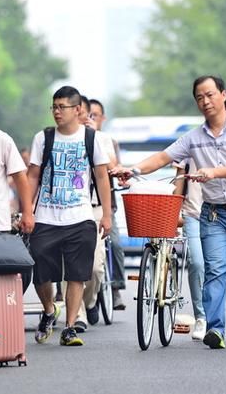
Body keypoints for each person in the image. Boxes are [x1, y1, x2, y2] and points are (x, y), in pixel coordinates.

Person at [111, 75, 226, 349]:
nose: (205, 101)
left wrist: (214, 172)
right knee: (214, 269)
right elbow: (161, 158)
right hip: (213, 215)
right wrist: (131, 169)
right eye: (199, 97)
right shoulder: (192, 139)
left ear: (223, 95)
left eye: (210, 94)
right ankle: (215, 329)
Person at [27, 86, 111, 347]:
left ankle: (71, 326)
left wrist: (106, 215)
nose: (56, 112)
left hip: (81, 216)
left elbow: (101, 176)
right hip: (46, 217)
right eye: (54, 107)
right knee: (40, 272)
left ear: (77, 110)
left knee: (77, 275)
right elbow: (32, 175)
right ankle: (50, 310)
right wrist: (27, 210)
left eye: (62, 107)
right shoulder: (44, 138)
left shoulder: (92, 138)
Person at [71, 96, 118, 333]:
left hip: (95, 208)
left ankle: (90, 300)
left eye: (85, 114)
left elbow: (110, 170)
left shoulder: (100, 139)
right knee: (69, 266)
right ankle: (76, 315)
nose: (82, 118)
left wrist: (92, 141)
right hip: (68, 209)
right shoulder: (58, 139)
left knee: (96, 267)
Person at [90, 98, 127, 310]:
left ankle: (116, 287)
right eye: (88, 115)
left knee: (115, 243)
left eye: (95, 115)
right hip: (84, 204)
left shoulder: (107, 141)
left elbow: (114, 167)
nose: (91, 119)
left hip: (106, 204)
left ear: (102, 118)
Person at [174, 158, 206, 340]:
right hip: (192, 214)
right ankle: (201, 317)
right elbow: (179, 182)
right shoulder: (188, 145)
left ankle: (215, 319)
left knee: (215, 268)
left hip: (219, 214)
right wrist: (174, 213)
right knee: (196, 263)